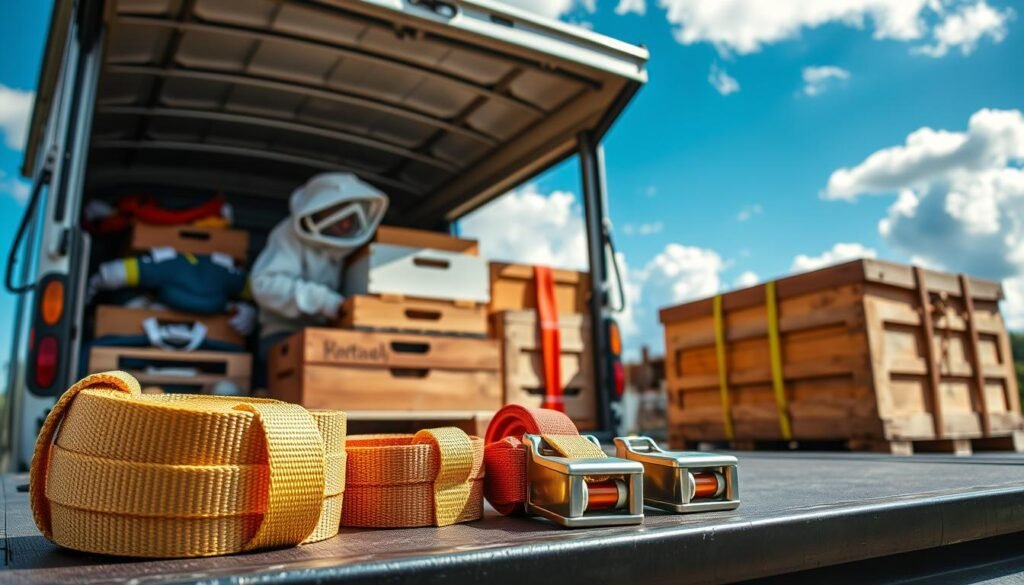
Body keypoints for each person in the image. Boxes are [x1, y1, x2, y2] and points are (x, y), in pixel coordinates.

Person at [250, 172, 389, 365]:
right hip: (282, 334)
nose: (346, 223)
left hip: (325, 333)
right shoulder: (288, 234)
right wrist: (321, 300)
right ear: (319, 210)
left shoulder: (345, 248)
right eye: (338, 212)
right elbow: (264, 285)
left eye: (350, 214)